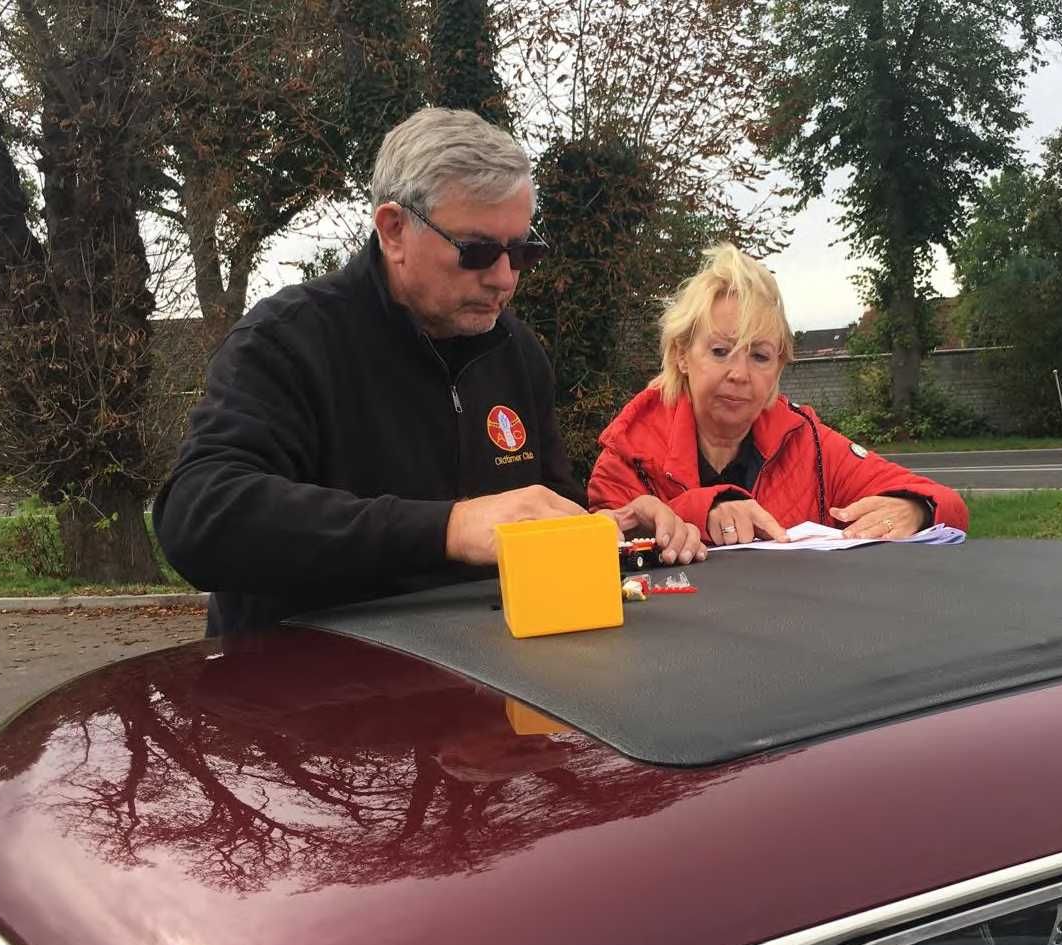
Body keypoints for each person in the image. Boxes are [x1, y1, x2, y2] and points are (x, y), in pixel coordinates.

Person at [155, 108, 702, 635]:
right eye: (477, 251)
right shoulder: (288, 341)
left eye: (521, 251)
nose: (505, 279)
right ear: (394, 230)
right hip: (309, 680)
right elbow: (199, 516)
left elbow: (542, 513)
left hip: (485, 677)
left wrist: (609, 530)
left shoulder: (516, 352)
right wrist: (448, 529)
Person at [587, 244, 968, 545]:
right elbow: (604, 545)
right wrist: (702, 511)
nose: (740, 374)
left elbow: (948, 504)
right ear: (681, 355)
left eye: (760, 356)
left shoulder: (810, 444)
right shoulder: (629, 452)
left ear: (780, 366)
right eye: (720, 351)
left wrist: (916, 510)